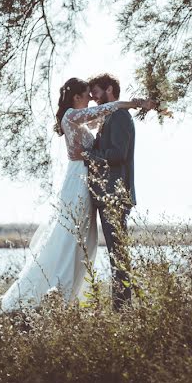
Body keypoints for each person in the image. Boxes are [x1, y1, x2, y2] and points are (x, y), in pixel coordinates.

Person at [0, 77, 154, 312]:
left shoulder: (91, 119)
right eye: (88, 94)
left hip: (93, 186)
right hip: (79, 182)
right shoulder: (71, 115)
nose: (92, 98)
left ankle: (75, 297)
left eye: (95, 92)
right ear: (76, 97)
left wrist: (138, 106)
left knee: (81, 239)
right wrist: (134, 103)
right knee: (69, 238)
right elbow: (105, 113)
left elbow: (106, 130)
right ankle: (57, 292)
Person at [83, 73, 138, 311]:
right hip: (105, 195)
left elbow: (117, 155)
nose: (94, 98)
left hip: (115, 196)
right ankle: (120, 306)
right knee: (115, 254)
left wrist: (89, 156)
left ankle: (122, 308)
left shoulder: (120, 116)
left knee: (118, 254)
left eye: (96, 92)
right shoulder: (109, 117)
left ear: (110, 90)